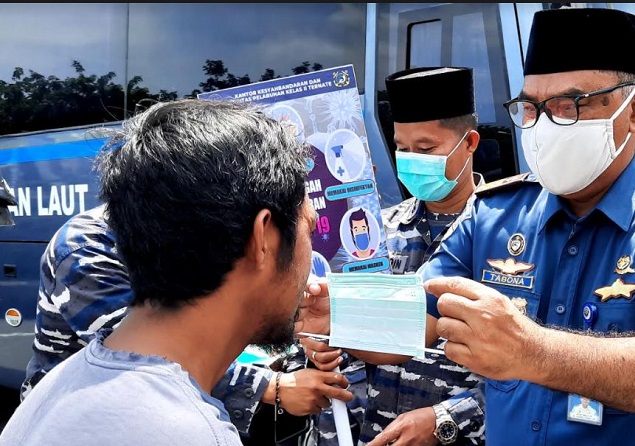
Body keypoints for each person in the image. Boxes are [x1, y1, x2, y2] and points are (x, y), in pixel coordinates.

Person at [303, 8, 635, 446]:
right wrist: (340, 317)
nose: (546, 125)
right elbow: (417, 316)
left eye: (568, 106)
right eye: (531, 107)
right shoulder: (494, 214)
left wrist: (532, 352)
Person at [0, 99, 349, 446]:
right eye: (310, 229)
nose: (312, 264)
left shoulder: (58, 389)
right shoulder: (190, 433)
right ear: (263, 239)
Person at [21, 203, 353, 445]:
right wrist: (274, 387)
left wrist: (300, 328)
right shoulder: (85, 246)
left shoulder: (194, 232)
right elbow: (150, 350)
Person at [302, 66, 486, 446]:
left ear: (470, 143)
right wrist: (319, 346)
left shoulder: (509, 239)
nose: (410, 159)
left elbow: (532, 367)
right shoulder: (371, 233)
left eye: (425, 149)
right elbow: (329, 330)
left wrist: (447, 421)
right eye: (401, 148)